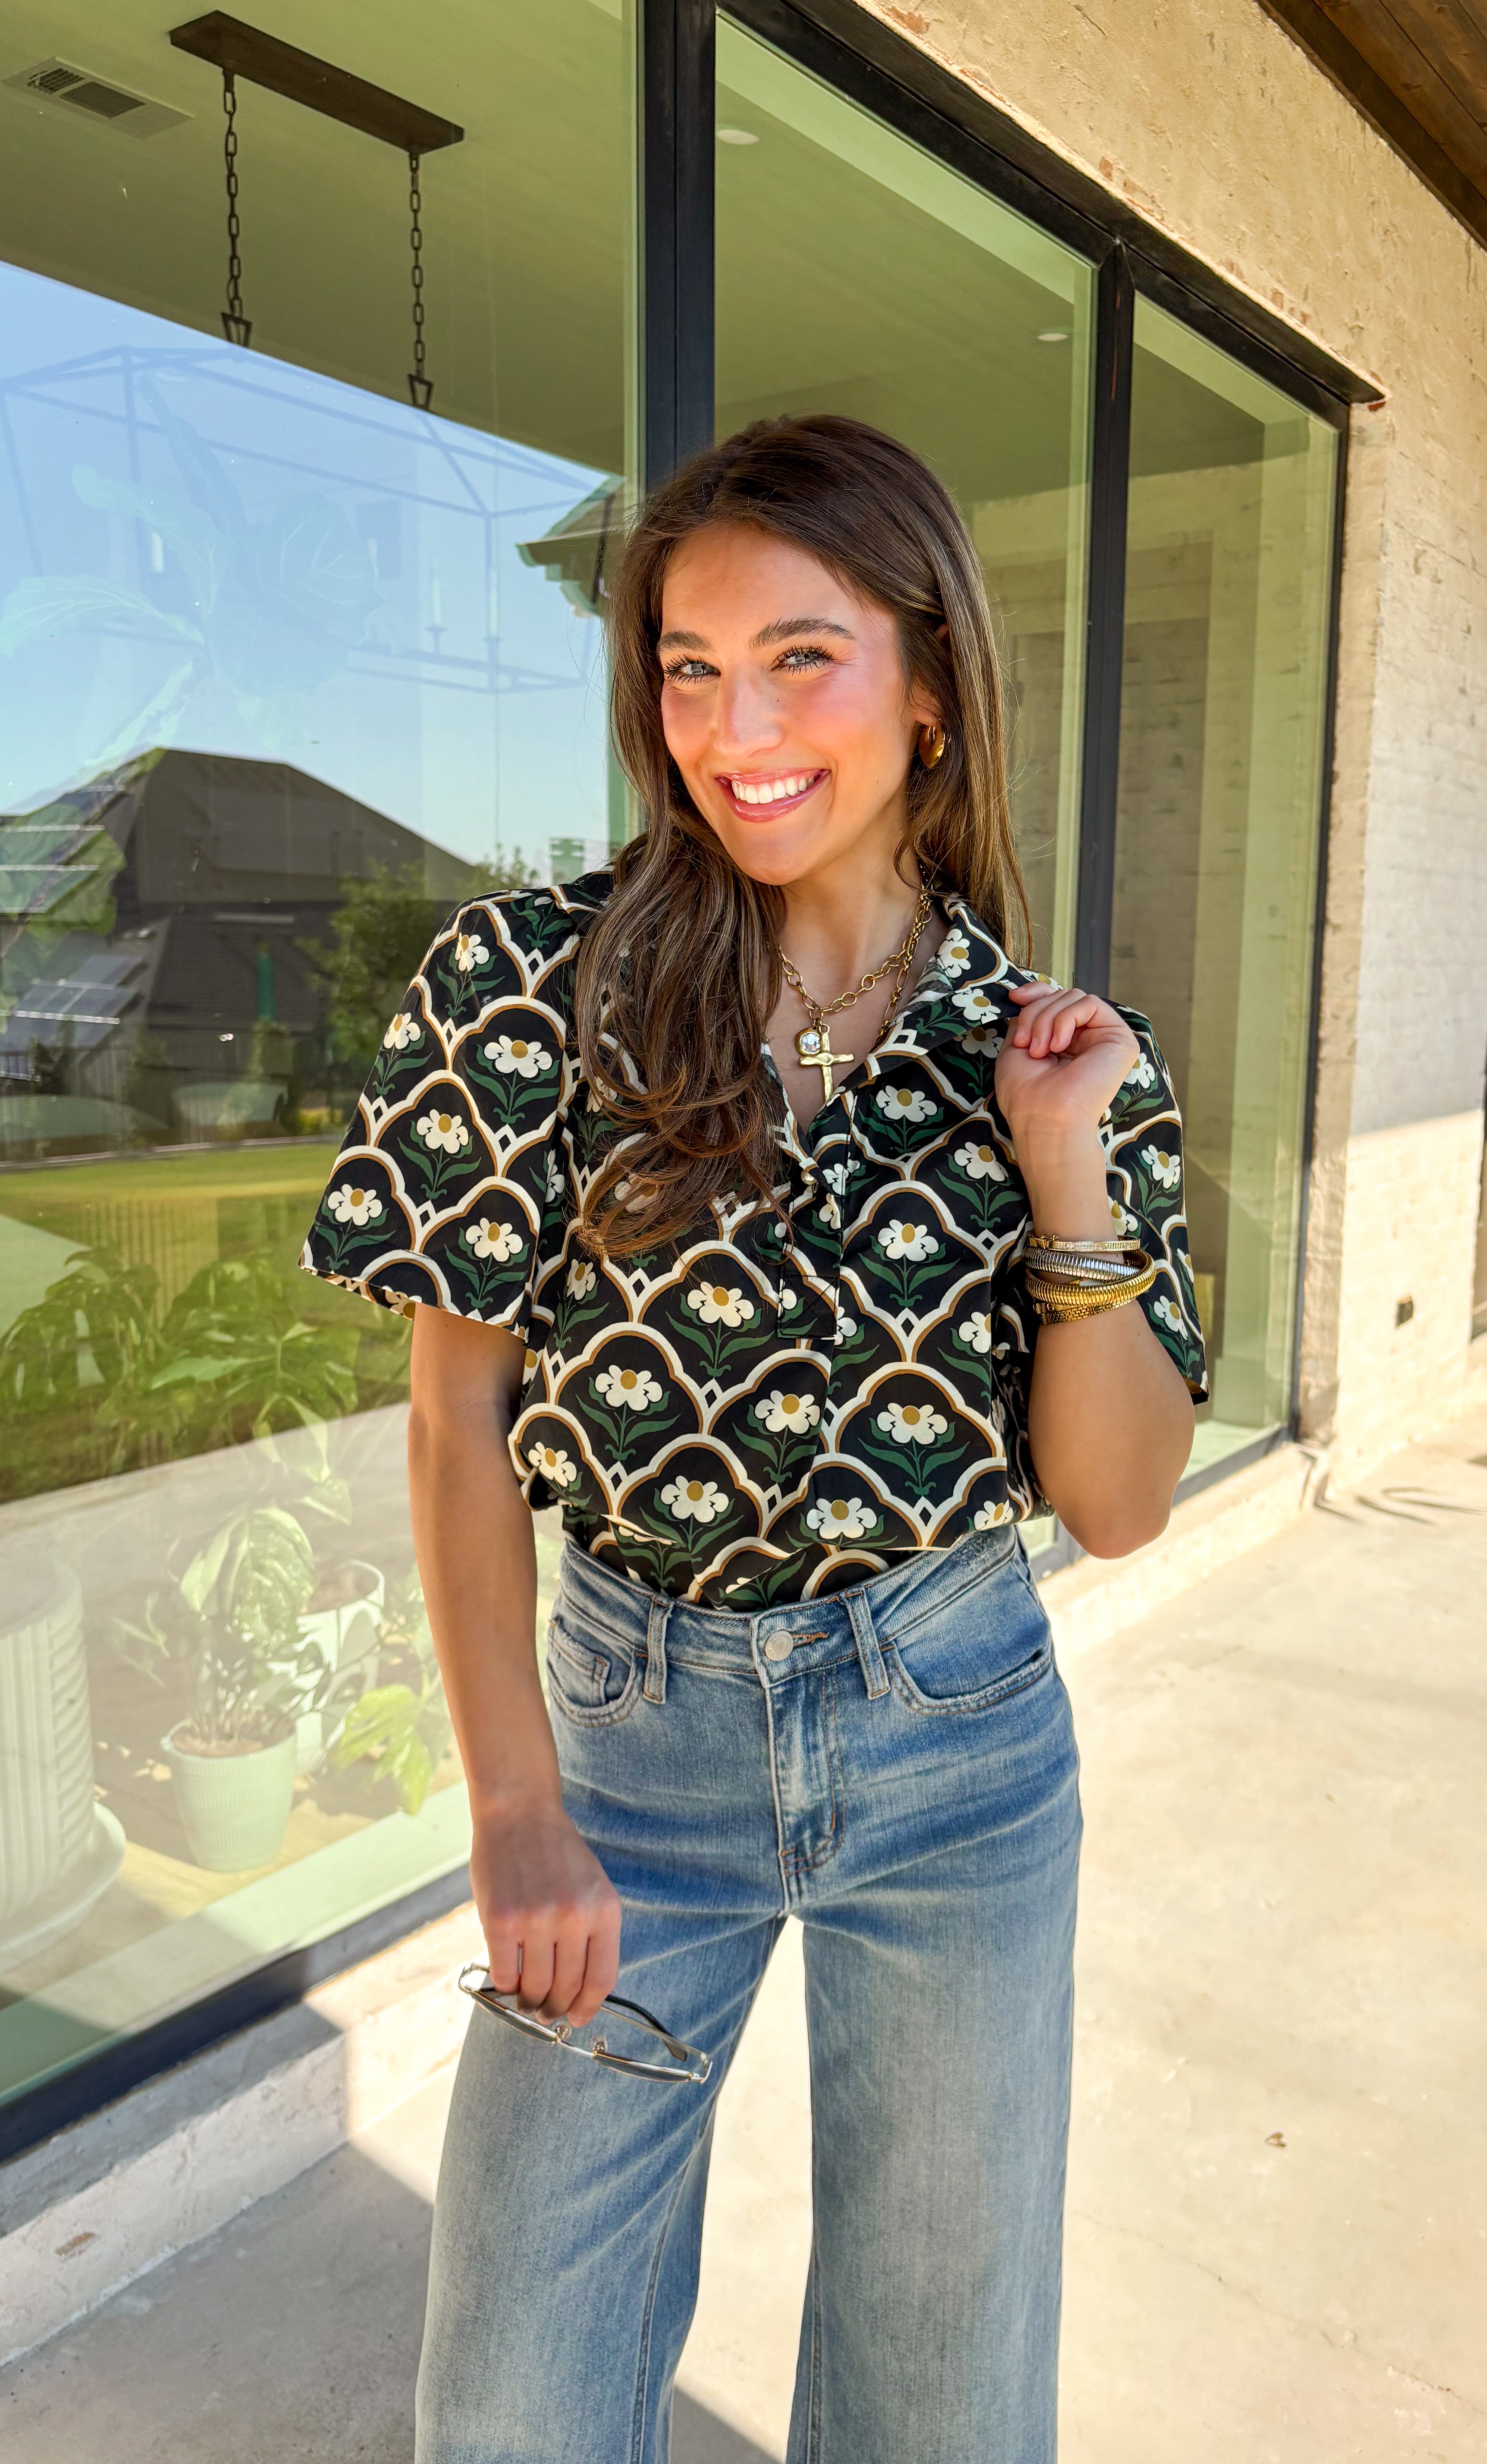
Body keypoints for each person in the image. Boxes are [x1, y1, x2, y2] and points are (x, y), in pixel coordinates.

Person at [302, 413, 1206, 2464]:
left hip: (958, 1736)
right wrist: (517, 1807)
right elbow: (460, 1413)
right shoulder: (532, 985)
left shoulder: (1053, 1050)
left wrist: (1066, 1183)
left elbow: (1123, 1504)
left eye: (802, 655)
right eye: (690, 671)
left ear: (931, 684)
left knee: (940, 2392)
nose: (739, 725)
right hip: (632, 1745)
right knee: (515, 2395)